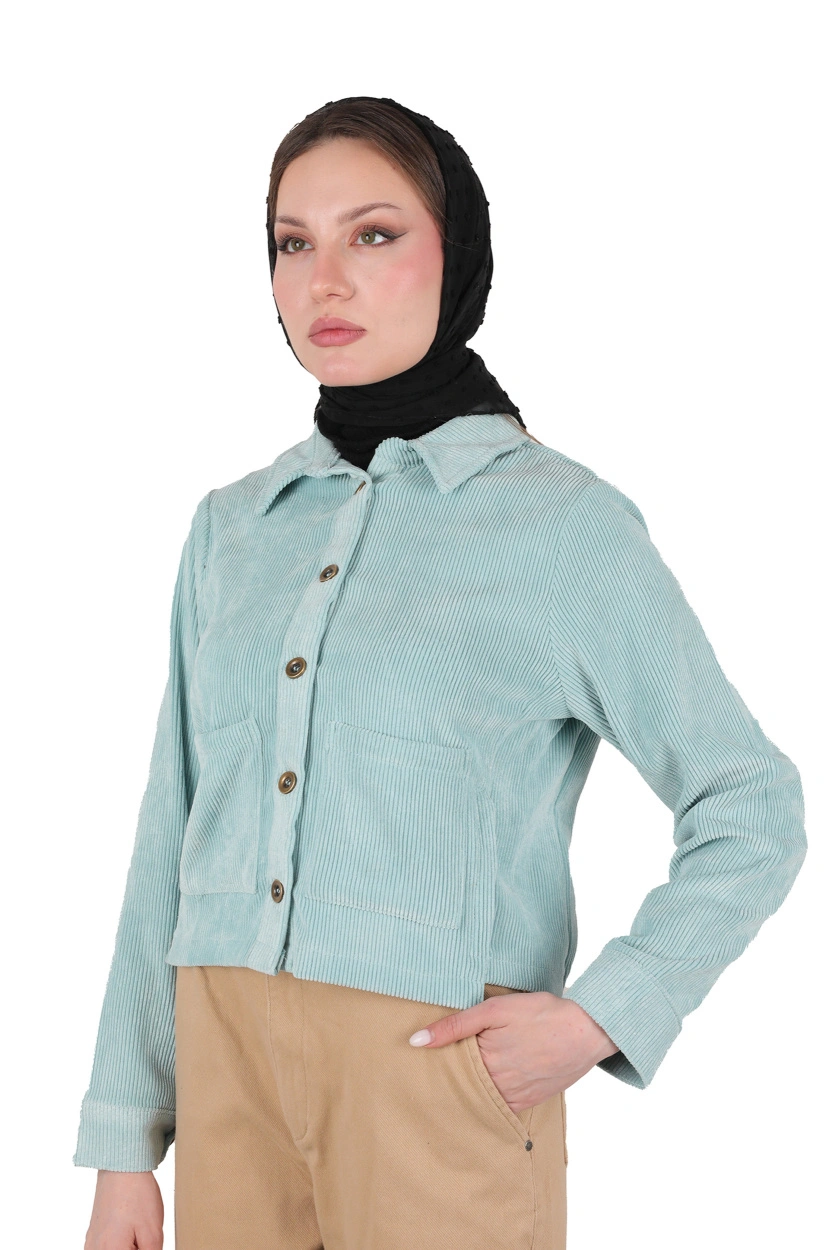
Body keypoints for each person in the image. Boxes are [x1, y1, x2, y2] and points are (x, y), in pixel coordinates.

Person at [75, 96, 807, 1250]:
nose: (324, 280)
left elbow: (748, 802)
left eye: (372, 234)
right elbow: (169, 831)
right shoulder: (233, 527)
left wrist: (601, 1014)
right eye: (292, 242)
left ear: (454, 254)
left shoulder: (559, 525)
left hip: (436, 1077)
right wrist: (126, 1142)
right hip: (224, 1079)